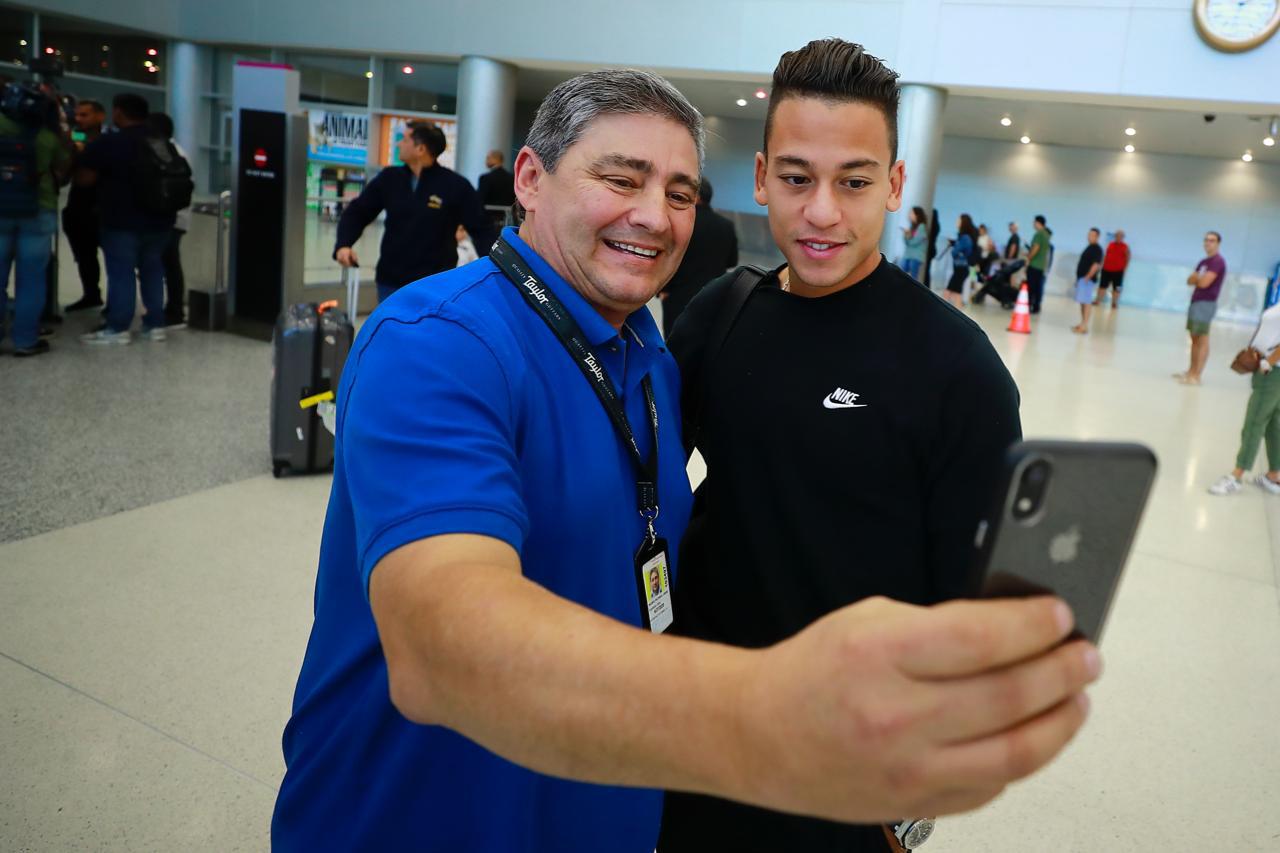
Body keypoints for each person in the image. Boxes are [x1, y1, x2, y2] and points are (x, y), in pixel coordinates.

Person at [272, 68, 1097, 853]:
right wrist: (772, 720)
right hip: (427, 821)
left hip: (613, 811)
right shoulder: (441, 344)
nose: (655, 217)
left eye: (679, 193)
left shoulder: (649, 355)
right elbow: (440, 645)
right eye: (621, 179)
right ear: (529, 178)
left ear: (892, 183)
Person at [661, 39, 1088, 852]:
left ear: (893, 186)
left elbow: (978, 599)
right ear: (760, 179)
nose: (823, 210)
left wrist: (908, 802)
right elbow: (640, 485)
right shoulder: (721, 316)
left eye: (854, 181)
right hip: (704, 728)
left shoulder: (957, 368)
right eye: (796, 178)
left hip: (850, 760)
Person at [334, 121, 497, 303]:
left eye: (404, 139)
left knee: (433, 332)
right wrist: (344, 244)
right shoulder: (390, 179)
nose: (399, 144)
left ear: (420, 149)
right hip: (391, 282)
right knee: (392, 331)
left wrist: (497, 268)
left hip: (436, 285)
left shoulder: (455, 186)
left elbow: (482, 229)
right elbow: (359, 211)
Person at [76, 94, 174, 345]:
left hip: (122, 221)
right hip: (160, 220)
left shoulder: (110, 143)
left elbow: (85, 179)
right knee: (152, 270)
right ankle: (155, 325)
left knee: (122, 273)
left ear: (119, 113)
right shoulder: (160, 142)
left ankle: (118, 327)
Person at [0, 81, 73, 357]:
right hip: (37, 210)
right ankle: (25, 340)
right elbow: (65, 168)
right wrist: (61, 121)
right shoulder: (47, 136)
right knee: (31, 280)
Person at [1208, 314, 1280, 496]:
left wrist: (1267, 362)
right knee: (1274, 424)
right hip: (1272, 369)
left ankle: (1236, 475)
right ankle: (1274, 475)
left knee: (1254, 422)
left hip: (1272, 372)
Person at [658, 176, 738, 336]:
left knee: (675, 342)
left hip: (678, 296)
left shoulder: (682, 224)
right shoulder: (726, 225)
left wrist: (663, 288)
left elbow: (668, 257)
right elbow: (732, 261)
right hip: (714, 295)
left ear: (697, 197)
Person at [146, 111, 192, 329]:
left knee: (168, 263)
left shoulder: (166, 152)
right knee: (169, 263)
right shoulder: (176, 151)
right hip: (175, 215)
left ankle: (173, 310)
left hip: (169, 217)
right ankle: (173, 309)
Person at [62, 98, 106, 313]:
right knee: (84, 256)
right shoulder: (74, 141)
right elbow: (65, 175)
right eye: (77, 115)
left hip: (102, 208)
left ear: (100, 116)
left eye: (84, 115)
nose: (79, 119)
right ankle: (91, 293)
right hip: (78, 207)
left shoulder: (108, 142)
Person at [1174, 231, 1227, 385]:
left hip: (1206, 303)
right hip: (1196, 301)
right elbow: (1190, 280)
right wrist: (1198, 278)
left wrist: (1198, 278)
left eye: (1211, 240)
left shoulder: (1218, 262)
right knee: (1194, 338)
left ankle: (1196, 375)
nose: (1207, 243)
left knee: (1202, 339)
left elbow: (1204, 283)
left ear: (1218, 243)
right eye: (1206, 240)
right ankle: (1191, 371)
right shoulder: (1204, 262)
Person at [1071, 227, 1103, 334]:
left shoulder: (1097, 249)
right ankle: (1082, 323)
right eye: (1089, 234)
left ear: (1097, 237)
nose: (1089, 237)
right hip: (1082, 279)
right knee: (1082, 302)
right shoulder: (1090, 247)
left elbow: (1096, 264)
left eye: (1092, 235)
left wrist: (1088, 277)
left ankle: (1084, 326)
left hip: (1087, 280)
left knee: (1086, 303)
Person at [944, 212, 978, 307]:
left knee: (951, 291)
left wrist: (955, 246)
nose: (956, 222)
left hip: (961, 269)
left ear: (963, 223)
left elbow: (955, 252)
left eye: (958, 220)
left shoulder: (965, 238)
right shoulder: (964, 237)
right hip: (960, 269)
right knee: (955, 292)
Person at [1096, 228, 1130, 310]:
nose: (1118, 237)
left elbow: (1128, 258)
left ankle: (1114, 303)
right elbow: (1105, 256)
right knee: (1102, 286)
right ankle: (1097, 300)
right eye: (1117, 235)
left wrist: (1124, 270)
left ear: (1123, 237)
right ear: (1115, 236)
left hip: (1118, 272)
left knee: (1117, 288)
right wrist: (1101, 265)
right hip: (1106, 270)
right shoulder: (1110, 244)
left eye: (1120, 236)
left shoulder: (1125, 247)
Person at [1025, 214, 1051, 313]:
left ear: (1038, 223)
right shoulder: (1046, 234)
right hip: (1041, 266)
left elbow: (1035, 248)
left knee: (1031, 287)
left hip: (1034, 264)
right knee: (1038, 287)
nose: (1033, 224)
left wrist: (1028, 258)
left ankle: (1030, 306)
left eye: (1034, 222)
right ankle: (1036, 306)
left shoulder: (1039, 234)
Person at [899, 205, 927, 281]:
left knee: (913, 278)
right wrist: (906, 235)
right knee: (901, 274)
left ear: (917, 215)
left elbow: (914, 242)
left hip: (916, 257)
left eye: (911, 213)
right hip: (908, 255)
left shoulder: (921, 227)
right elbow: (907, 242)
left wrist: (908, 236)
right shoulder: (912, 226)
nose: (909, 215)